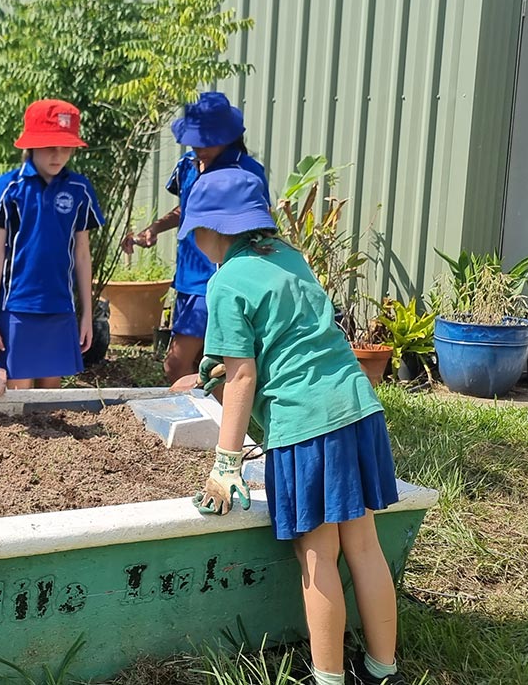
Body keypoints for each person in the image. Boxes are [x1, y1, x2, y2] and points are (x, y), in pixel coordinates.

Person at [173, 167, 405, 685]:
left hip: (306, 427)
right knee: (363, 546)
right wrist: (208, 373)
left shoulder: (226, 282)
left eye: (196, 234)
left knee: (318, 555)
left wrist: (225, 465)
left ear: (212, 231)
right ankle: (383, 670)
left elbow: (243, 376)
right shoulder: (289, 258)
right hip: (356, 408)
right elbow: (283, 339)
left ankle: (328, 678)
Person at [121, 92, 269, 385]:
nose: (199, 147)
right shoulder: (187, 165)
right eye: (194, 139)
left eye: (207, 140)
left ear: (228, 136)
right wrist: (154, 229)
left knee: (176, 365)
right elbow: (187, 207)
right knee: (206, 366)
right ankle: (213, 422)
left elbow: (260, 221)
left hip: (220, 279)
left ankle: (207, 423)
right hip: (188, 279)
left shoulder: (246, 172)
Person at [0, 99, 105, 389]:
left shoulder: (80, 189)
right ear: (31, 145)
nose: (58, 154)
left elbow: (82, 256)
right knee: (18, 398)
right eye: (49, 146)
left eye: (65, 146)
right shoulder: (9, 187)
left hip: (60, 308)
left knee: (51, 401)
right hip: (16, 308)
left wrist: (86, 314)